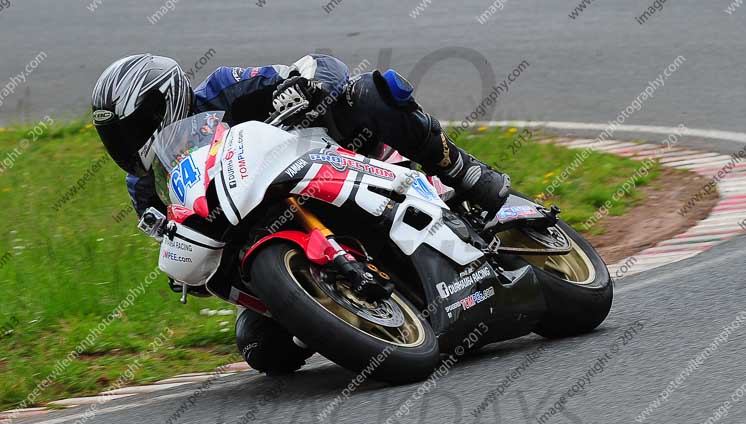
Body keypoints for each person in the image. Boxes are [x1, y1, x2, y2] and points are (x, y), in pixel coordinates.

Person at [91, 53, 510, 374]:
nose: (125, 144)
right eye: (114, 137)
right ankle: (341, 308)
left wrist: (303, 87)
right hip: (263, 239)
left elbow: (321, 66)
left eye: (130, 128)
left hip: (329, 161)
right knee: (262, 349)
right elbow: (186, 247)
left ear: (162, 101)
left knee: (367, 92)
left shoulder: (223, 89)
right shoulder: (145, 187)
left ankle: (462, 170)